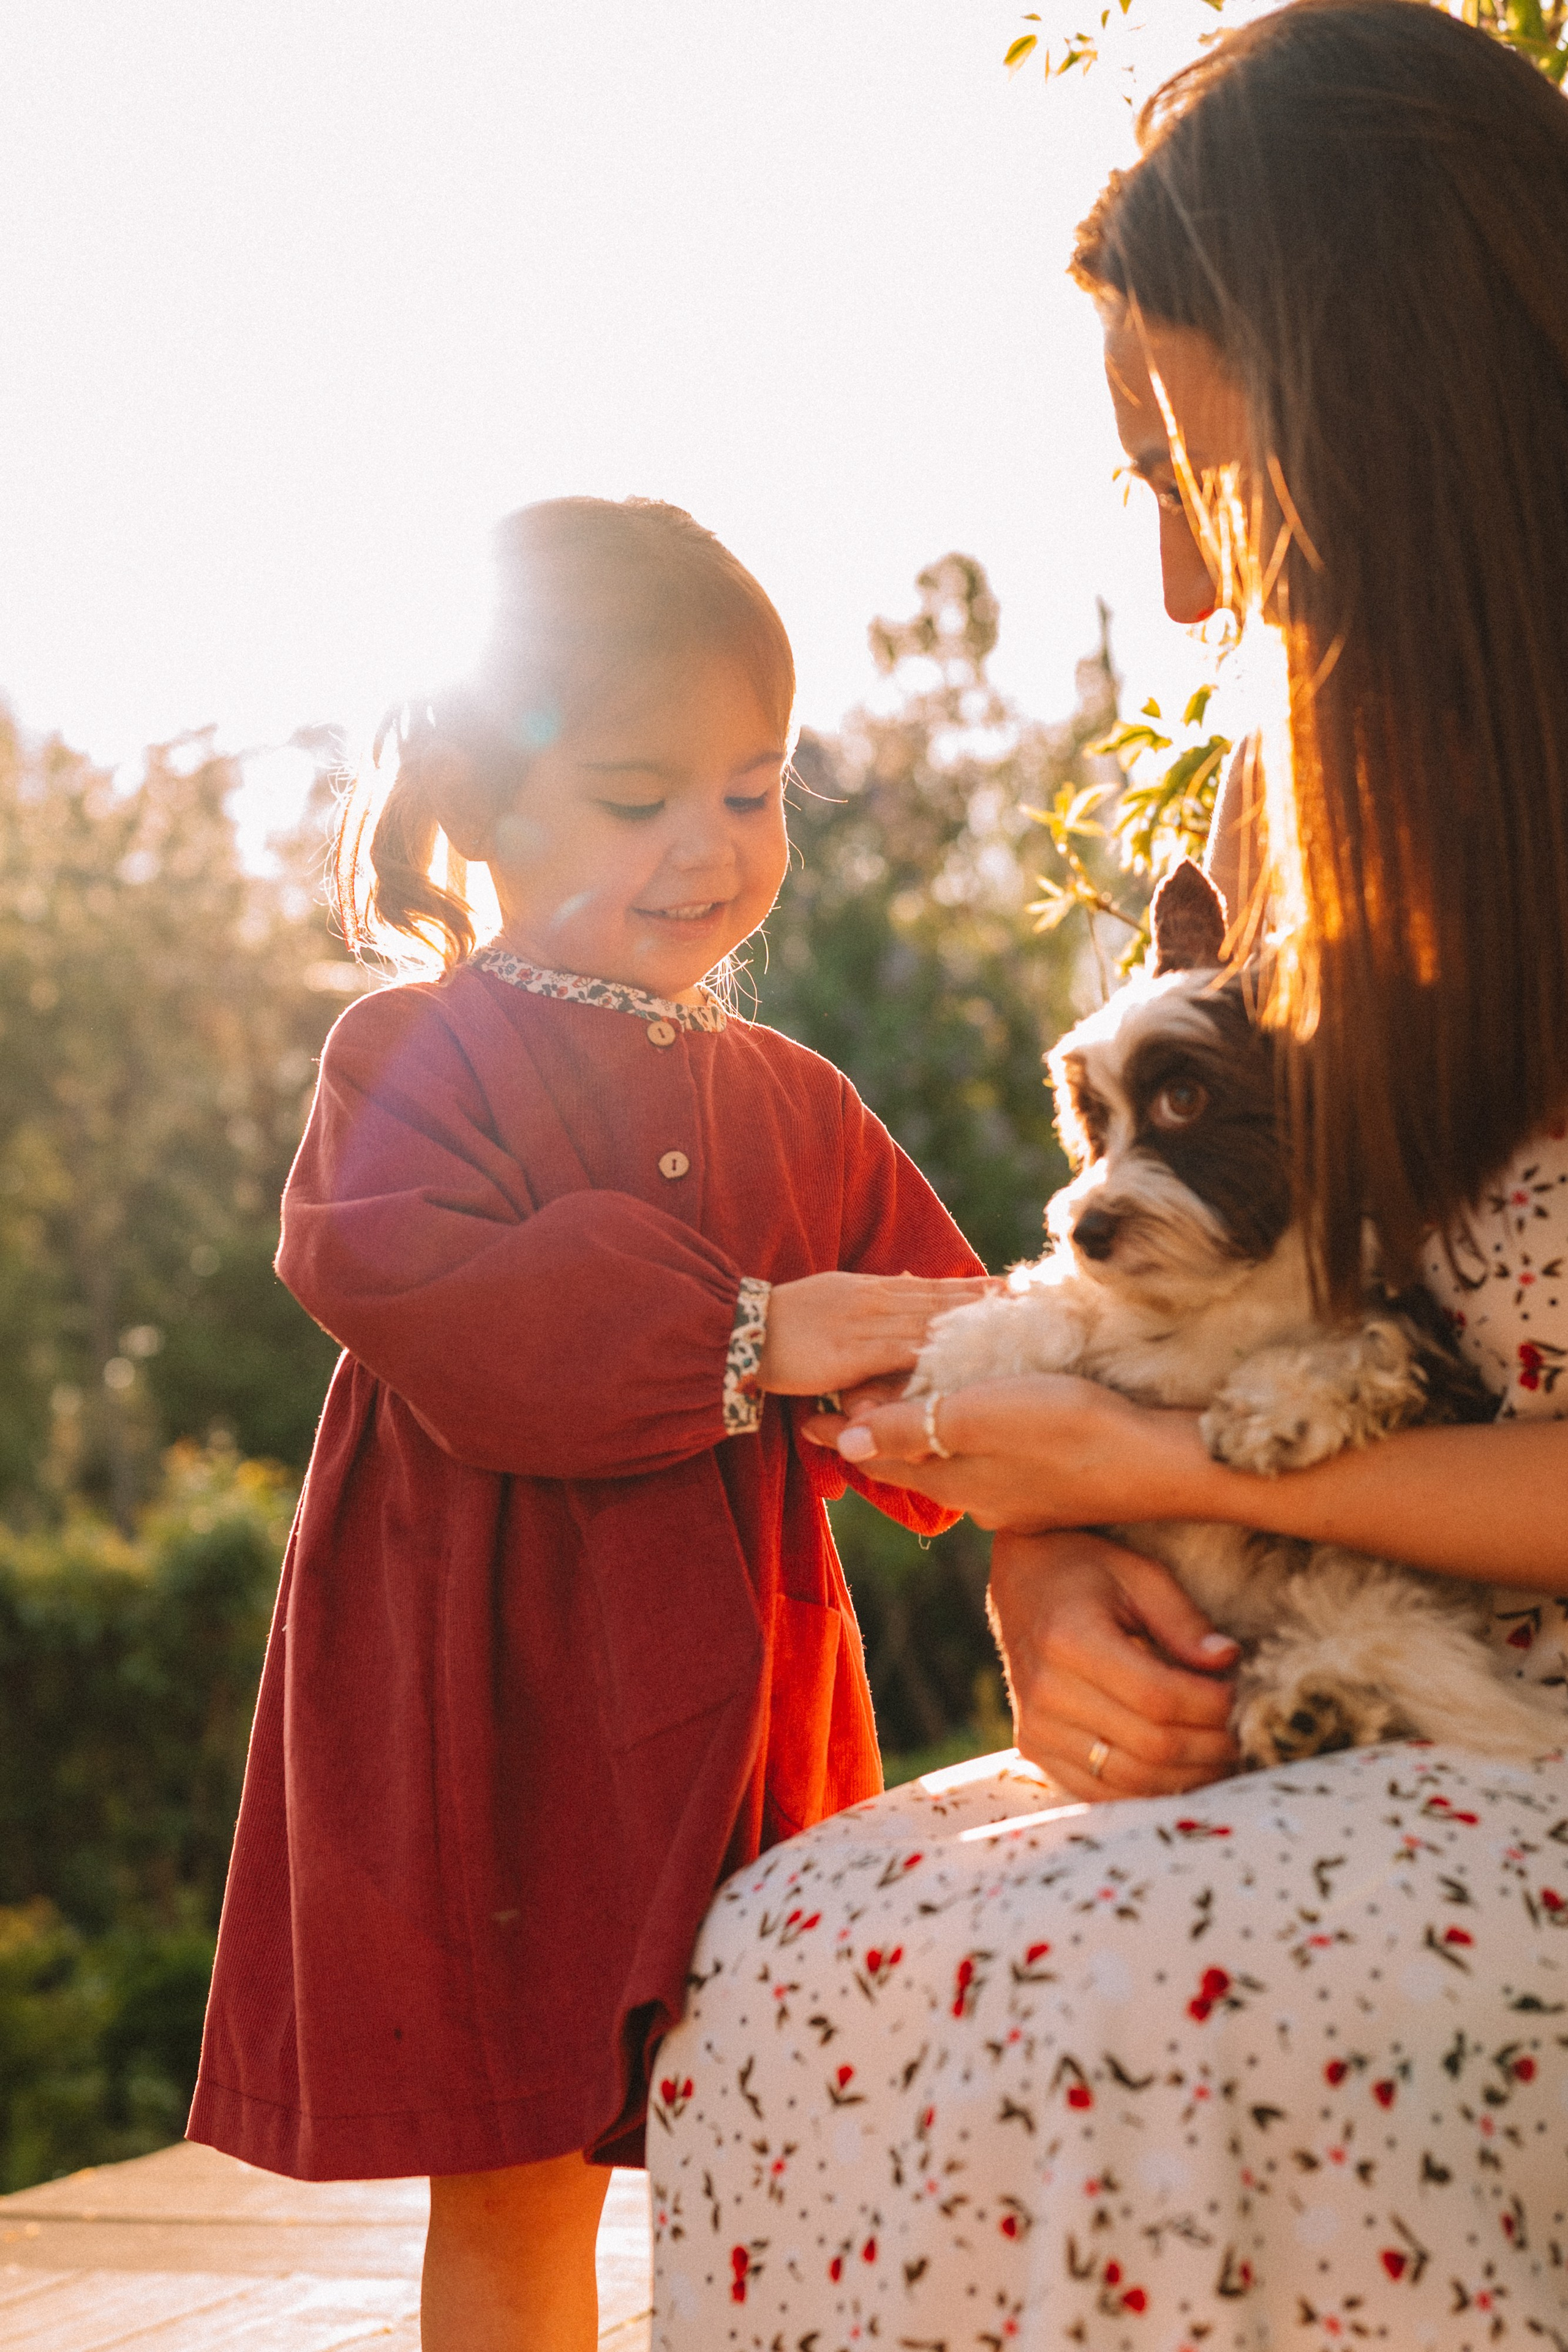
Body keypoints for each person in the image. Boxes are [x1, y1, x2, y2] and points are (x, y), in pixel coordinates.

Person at [649, 7, 1568, 2345]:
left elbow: (1176, 1410)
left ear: (1414, 421)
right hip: (1327, 1692)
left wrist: (1144, 1460)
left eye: (1203, 476)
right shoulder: (1288, 831)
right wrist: (1051, 1589)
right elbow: (1139, 1322)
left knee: (1113, 2026)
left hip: (1492, 1753)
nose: (1178, 588)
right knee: (799, 1955)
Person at [186, 496, 992, 2351]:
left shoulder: (793, 1100)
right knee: (526, 2168)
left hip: (738, 1704)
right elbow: (425, 1295)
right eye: (642, 798)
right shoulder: (413, 1058)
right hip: (500, 1715)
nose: (710, 848)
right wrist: (748, 1333)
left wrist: (1067, 1434)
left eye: (755, 787)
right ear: (478, 802)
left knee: (771, 2109)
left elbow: (949, 1354)